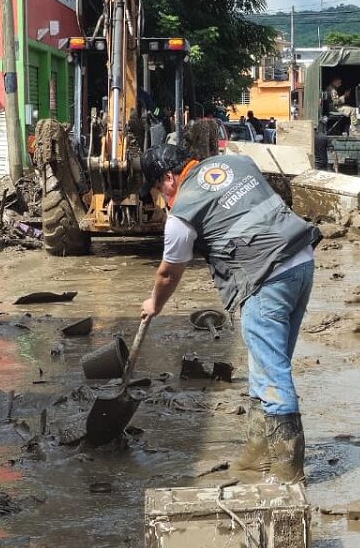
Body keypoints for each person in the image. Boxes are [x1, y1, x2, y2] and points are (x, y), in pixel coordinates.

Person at [138, 144, 320, 483]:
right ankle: (256, 455)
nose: (162, 202)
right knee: (265, 364)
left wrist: (155, 304)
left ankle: (287, 472)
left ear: (168, 179)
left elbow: (167, 273)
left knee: (272, 370)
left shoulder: (181, 215)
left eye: (157, 193)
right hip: (302, 261)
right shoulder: (235, 161)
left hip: (265, 278)